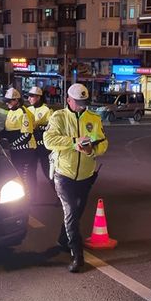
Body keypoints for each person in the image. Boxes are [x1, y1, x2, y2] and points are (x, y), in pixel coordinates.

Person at [44, 83, 109, 273]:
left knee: (77, 212)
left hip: (86, 175)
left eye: (84, 102)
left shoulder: (93, 118)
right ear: (68, 100)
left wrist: (92, 149)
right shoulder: (59, 117)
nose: (81, 106)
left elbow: (103, 143)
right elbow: (48, 141)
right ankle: (77, 257)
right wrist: (73, 142)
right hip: (64, 174)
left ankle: (63, 240)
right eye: (78, 102)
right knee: (71, 212)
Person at [0, 87, 38, 200]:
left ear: (16, 100)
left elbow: (27, 135)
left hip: (26, 150)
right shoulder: (11, 112)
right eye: (6, 101)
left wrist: (13, 144)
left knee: (25, 176)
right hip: (15, 150)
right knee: (17, 175)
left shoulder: (24, 113)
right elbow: (6, 131)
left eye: (9, 101)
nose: (7, 104)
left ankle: (29, 200)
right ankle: (23, 198)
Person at [26, 86, 53, 183]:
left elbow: (51, 127)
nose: (29, 99)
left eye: (31, 96)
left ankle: (60, 194)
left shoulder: (47, 110)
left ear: (38, 97)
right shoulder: (28, 109)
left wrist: (39, 127)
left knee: (48, 171)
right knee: (30, 171)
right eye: (28, 96)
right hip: (31, 145)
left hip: (43, 146)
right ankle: (31, 194)